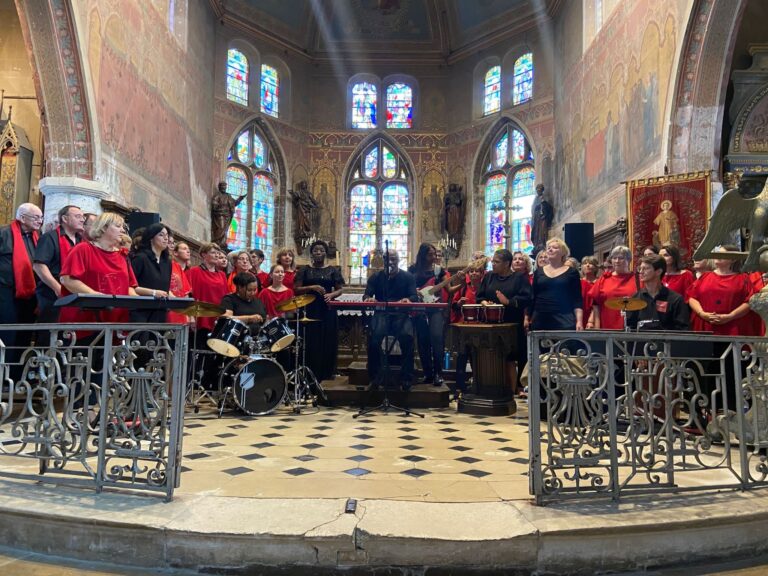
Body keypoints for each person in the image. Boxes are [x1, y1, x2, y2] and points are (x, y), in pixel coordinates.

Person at [59, 212, 139, 325]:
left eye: (123, 227)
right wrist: (97, 297)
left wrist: (140, 302)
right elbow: (67, 280)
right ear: (103, 228)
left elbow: (129, 286)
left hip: (116, 321)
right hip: (85, 320)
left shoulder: (122, 256)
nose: (122, 230)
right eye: (118, 226)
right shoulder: (83, 249)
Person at [477, 248, 532, 394]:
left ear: (507, 264)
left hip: (511, 323)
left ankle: (512, 389)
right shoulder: (489, 277)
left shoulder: (519, 278)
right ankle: (490, 387)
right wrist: (484, 303)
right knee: (491, 354)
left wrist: (508, 301)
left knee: (510, 357)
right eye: (493, 261)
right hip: (490, 323)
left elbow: (526, 298)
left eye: (497, 262)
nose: (493, 264)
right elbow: (479, 296)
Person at [364, 250, 418, 390]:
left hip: (401, 314)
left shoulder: (408, 277)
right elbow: (366, 295)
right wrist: (369, 299)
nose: (391, 262)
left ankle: (406, 378)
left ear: (399, 260)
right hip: (382, 314)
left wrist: (408, 299)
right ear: (383, 260)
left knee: (407, 338)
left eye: (394, 259)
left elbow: (414, 296)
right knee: (374, 339)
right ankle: (375, 377)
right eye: (388, 259)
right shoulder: (376, 277)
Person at [294, 240, 345, 382]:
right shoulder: (304, 270)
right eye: (316, 250)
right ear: (311, 253)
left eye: (321, 250)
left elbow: (340, 289)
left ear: (325, 253)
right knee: (312, 342)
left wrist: (332, 295)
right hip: (310, 308)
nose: (318, 253)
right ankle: (310, 375)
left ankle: (327, 374)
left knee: (328, 340)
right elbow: (296, 289)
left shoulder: (333, 270)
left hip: (327, 308)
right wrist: (312, 287)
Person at [688, 245, 757, 336]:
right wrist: (702, 314)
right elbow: (692, 297)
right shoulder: (705, 276)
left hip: (733, 326)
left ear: (733, 259)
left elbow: (750, 301)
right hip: (706, 325)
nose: (717, 256)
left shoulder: (743, 279)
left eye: (722, 254)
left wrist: (730, 316)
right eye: (717, 253)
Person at [0, 203, 43, 349]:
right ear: (23, 218)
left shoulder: (39, 237)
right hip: (6, 292)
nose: (40, 221)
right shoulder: (4, 233)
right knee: (8, 335)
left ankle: (18, 371)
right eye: (36, 217)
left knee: (24, 336)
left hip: (30, 294)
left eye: (41, 217)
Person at [33, 204, 84, 324]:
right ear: (65, 219)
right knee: (50, 333)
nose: (82, 219)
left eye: (83, 217)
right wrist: (57, 288)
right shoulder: (50, 237)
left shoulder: (81, 241)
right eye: (78, 216)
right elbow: (39, 266)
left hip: (74, 293)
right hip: (52, 293)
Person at [408, 243, 450, 386]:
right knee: (422, 341)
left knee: (437, 340)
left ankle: (438, 373)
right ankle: (428, 373)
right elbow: (408, 286)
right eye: (430, 254)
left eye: (435, 254)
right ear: (423, 255)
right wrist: (415, 292)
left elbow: (449, 289)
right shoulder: (413, 269)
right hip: (419, 309)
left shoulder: (439, 270)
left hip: (435, 308)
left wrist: (461, 282)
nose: (433, 257)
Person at [530, 238, 584, 332]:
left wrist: (579, 321)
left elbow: (577, 298)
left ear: (563, 252)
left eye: (555, 247)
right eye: (548, 248)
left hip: (564, 318)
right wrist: (527, 318)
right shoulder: (538, 272)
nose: (550, 249)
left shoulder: (572, 272)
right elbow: (533, 296)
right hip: (540, 318)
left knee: (564, 346)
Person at [627, 255, 690, 331]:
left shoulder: (675, 299)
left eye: (646, 268)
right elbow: (630, 328)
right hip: (641, 342)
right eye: (640, 269)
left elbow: (683, 329)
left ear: (658, 272)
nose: (641, 272)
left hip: (667, 342)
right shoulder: (635, 298)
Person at [450, 265, 484, 396]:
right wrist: (459, 304)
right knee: (462, 356)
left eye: (477, 271)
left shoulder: (485, 286)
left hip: (480, 327)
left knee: (477, 356)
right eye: (472, 271)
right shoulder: (464, 287)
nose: (474, 273)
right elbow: (454, 304)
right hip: (464, 326)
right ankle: (460, 386)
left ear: (482, 273)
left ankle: (478, 384)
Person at [589, 245, 639, 330]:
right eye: (614, 258)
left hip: (632, 328)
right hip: (607, 326)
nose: (617, 261)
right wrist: (597, 328)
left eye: (621, 258)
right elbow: (595, 306)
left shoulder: (638, 279)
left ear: (629, 260)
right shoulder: (604, 279)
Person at [130, 223, 172, 323]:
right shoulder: (140, 258)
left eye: (167, 235)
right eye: (161, 235)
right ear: (151, 238)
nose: (166, 239)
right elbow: (131, 286)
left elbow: (166, 288)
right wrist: (153, 292)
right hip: (141, 312)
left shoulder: (167, 262)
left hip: (160, 311)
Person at [186, 243, 229, 334]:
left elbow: (226, 297)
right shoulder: (193, 272)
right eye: (213, 252)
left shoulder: (222, 275)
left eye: (218, 253)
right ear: (204, 254)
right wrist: (190, 316)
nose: (217, 255)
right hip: (200, 316)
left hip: (218, 316)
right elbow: (188, 296)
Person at [211, 181, 246, 249]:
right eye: (222, 186)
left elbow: (234, 203)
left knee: (225, 230)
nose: (223, 187)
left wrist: (240, 198)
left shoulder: (228, 196)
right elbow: (214, 203)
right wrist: (216, 205)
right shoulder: (217, 195)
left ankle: (222, 243)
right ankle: (217, 241)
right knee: (221, 227)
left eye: (225, 186)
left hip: (227, 215)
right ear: (219, 187)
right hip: (220, 214)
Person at [167, 233, 192, 325]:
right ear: (175, 253)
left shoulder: (177, 267)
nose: (188, 251)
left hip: (180, 310)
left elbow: (185, 293)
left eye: (189, 249)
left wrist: (188, 315)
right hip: (167, 309)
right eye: (184, 249)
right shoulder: (168, 265)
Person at [290, 181, 318, 247]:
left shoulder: (308, 193)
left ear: (306, 186)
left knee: (307, 219)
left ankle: (306, 231)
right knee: (301, 219)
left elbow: (313, 200)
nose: (303, 185)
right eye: (302, 184)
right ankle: (301, 231)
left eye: (304, 184)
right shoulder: (298, 192)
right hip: (300, 207)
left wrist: (316, 204)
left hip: (307, 208)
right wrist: (292, 193)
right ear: (301, 186)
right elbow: (295, 197)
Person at [531, 184, 554, 253]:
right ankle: (537, 245)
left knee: (542, 232)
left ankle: (542, 244)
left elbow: (549, 208)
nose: (538, 190)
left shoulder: (545, 198)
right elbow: (533, 209)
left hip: (542, 219)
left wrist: (543, 204)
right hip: (536, 219)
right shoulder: (535, 199)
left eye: (540, 189)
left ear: (542, 190)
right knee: (536, 233)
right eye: (537, 189)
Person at [580, 255, 600, 329]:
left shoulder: (600, 282)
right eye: (585, 263)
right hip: (581, 314)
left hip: (596, 315)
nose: (587, 265)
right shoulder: (578, 282)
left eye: (590, 263)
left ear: (596, 267)